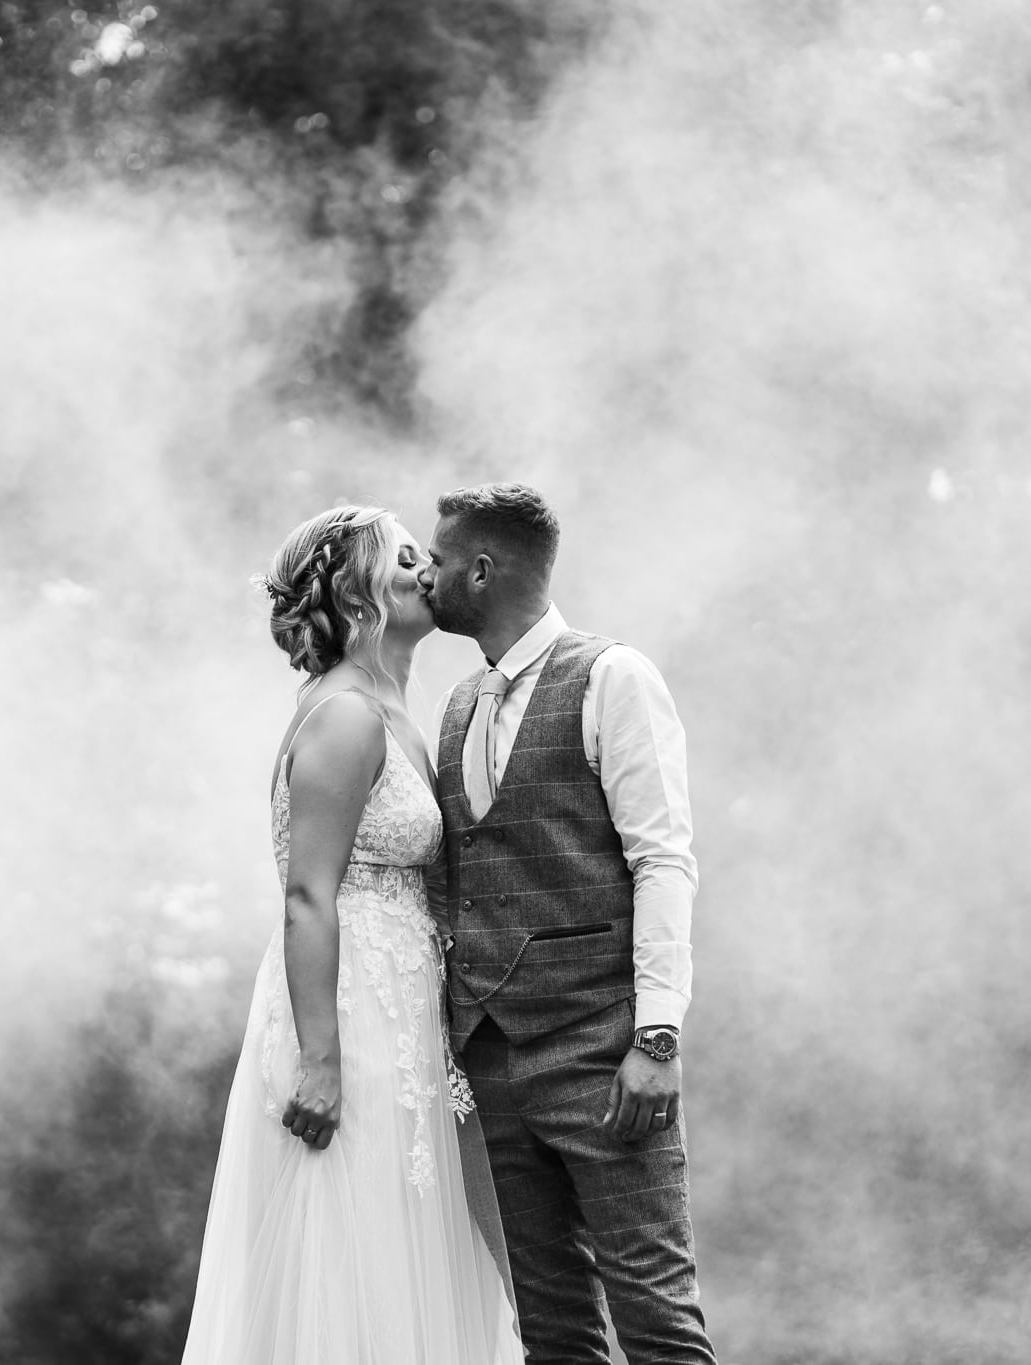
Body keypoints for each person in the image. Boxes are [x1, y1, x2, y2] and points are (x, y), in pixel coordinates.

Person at [180, 504, 523, 1365]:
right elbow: (305, 894)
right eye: (406, 557)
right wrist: (321, 1058)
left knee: (410, 1257)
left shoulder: (398, 712)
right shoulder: (345, 716)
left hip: (406, 1017)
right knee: (348, 1253)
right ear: (359, 592)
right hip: (349, 1013)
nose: (426, 569)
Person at [418, 483, 719, 1365]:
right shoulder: (458, 707)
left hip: (606, 1052)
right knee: (552, 1334)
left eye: (437, 561)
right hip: (492, 1058)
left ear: (480, 568)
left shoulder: (614, 676)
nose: (425, 576)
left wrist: (657, 1036)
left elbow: (663, 859)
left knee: (657, 1320)